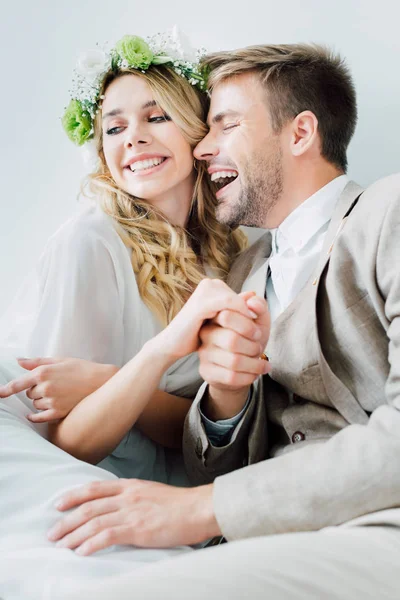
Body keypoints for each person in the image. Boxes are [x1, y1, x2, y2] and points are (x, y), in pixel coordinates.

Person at [47, 43, 400, 599]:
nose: (204, 148)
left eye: (225, 125)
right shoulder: (243, 271)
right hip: (259, 540)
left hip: (376, 522)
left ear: (301, 133)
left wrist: (197, 510)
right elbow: (218, 460)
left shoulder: (390, 212)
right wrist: (227, 397)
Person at [0, 30, 246, 483]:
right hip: (95, 478)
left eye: (156, 117)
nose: (133, 139)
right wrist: (135, 372)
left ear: (198, 131)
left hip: (190, 478)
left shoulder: (232, 248)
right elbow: (69, 442)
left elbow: (203, 428)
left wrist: (105, 380)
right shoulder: (90, 244)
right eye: (114, 128)